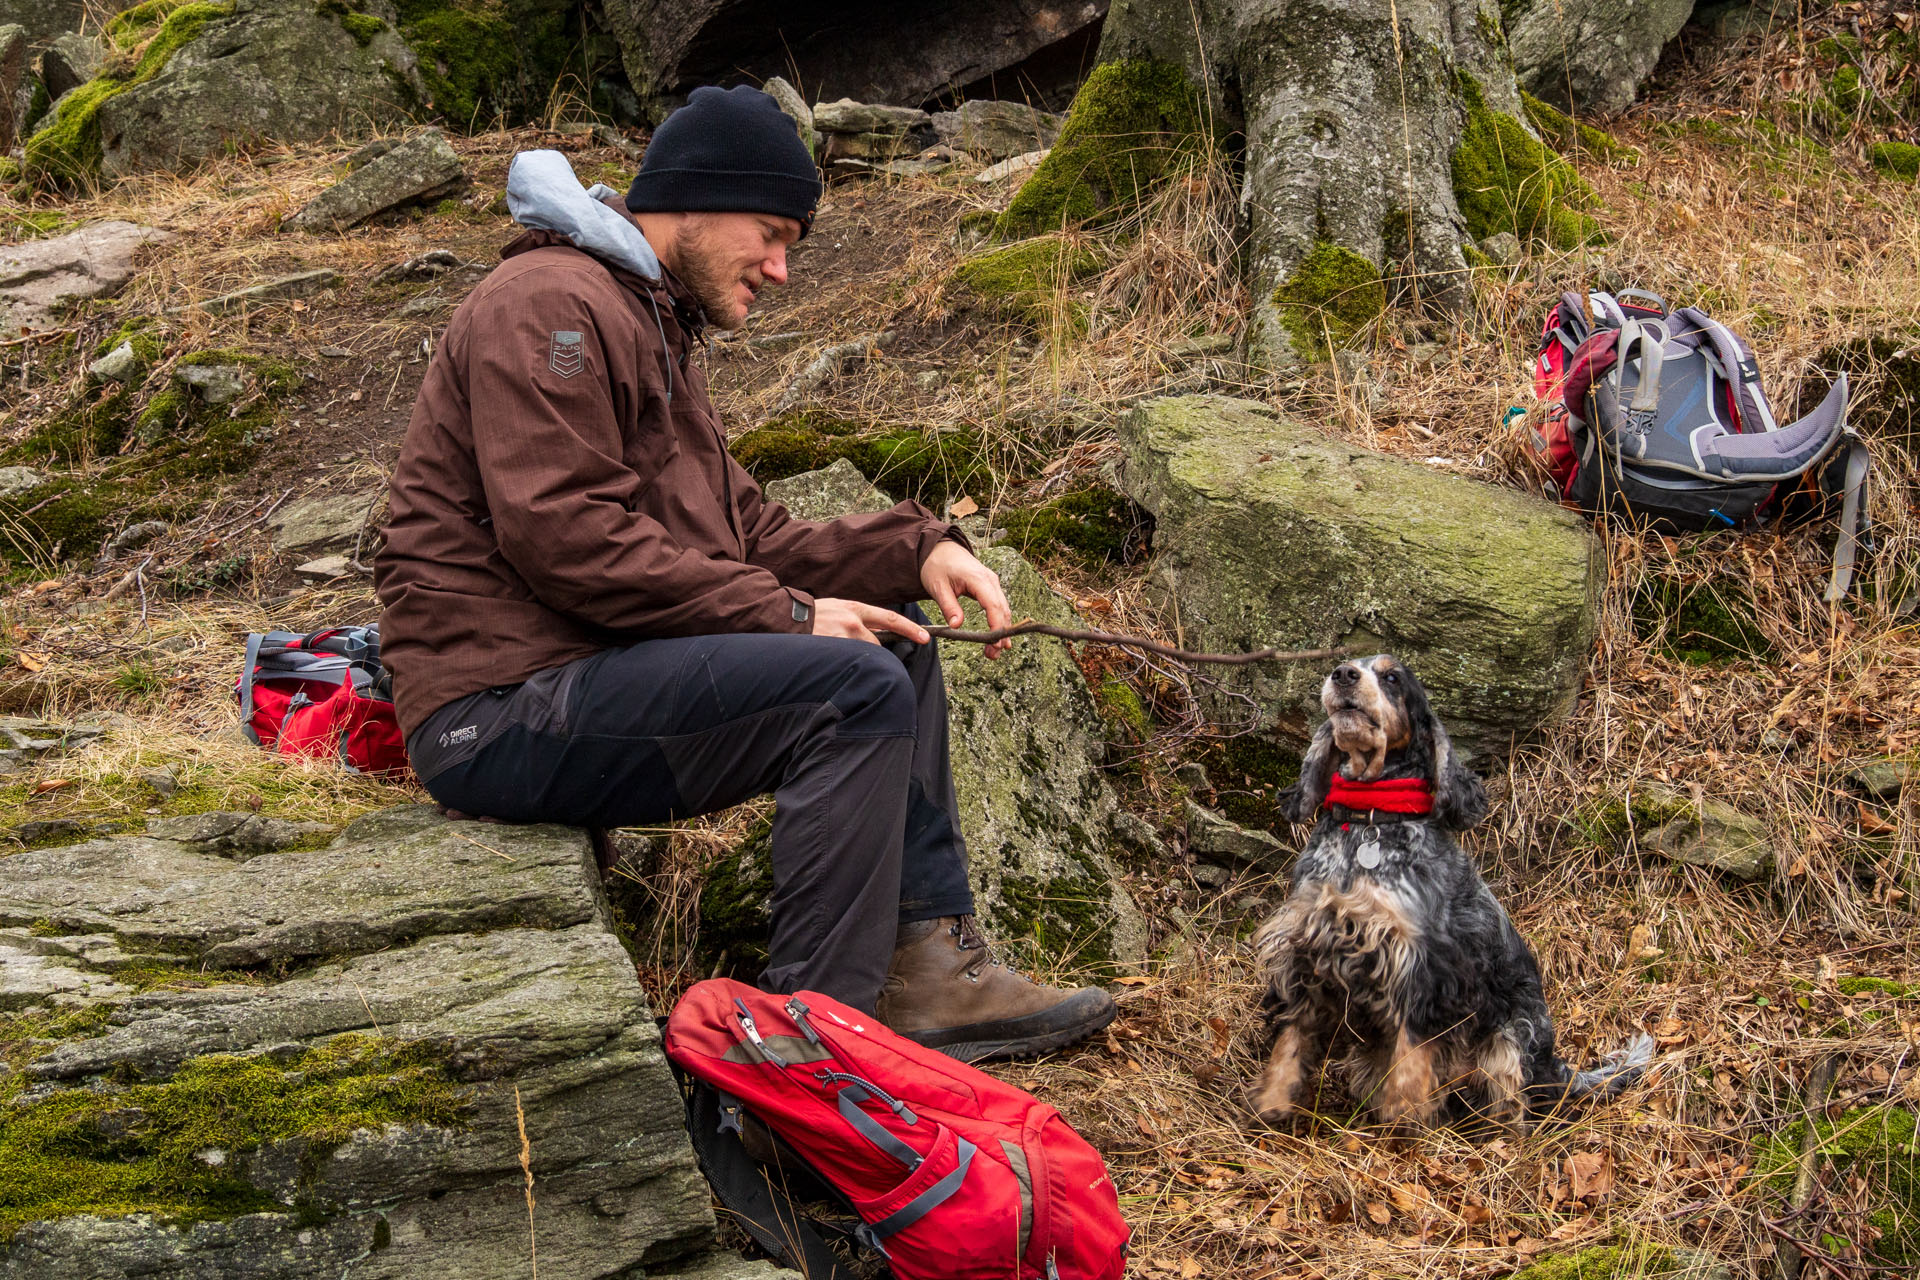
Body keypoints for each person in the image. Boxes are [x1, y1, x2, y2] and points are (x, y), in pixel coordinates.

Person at [373, 85, 1116, 1062]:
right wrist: (792, 614)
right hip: (496, 708)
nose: (780, 267)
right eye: (769, 233)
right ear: (693, 202)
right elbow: (562, 533)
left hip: (575, 681)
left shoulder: (648, 321)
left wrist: (914, 545)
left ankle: (927, 966)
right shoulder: (551, 305)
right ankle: (808, 1055)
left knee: (896, 639)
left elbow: (748, 534)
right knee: (848, 689)